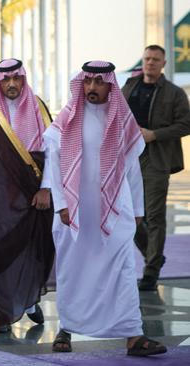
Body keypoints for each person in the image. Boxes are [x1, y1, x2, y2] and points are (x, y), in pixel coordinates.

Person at [44, 61, 166, 356]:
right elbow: (54, 165)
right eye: (87, 83)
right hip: (74, 213)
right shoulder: (67, 119)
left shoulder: (121, 121)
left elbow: (132, 168)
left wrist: (137, 208)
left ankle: (133, 337)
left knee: (123, 271)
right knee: (73, 272)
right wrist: (61, 203)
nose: (92, 88)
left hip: (115, 211)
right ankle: (66, 329)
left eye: (99, 83)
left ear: (110, 85)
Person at [0, 58, 54, 333]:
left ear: (23, 79)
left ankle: (28, 302)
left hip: (33, 198)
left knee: (32, 252)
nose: (12, 84)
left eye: (16, 79)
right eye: (6, 80)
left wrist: (46, 188)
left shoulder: (38, 107)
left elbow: (52, 154)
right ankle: (1, 312)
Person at [122, 45, 190, 291]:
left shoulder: (174, 93)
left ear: (163, 64)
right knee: (129, 214)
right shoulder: (129, 86)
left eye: (155, 59)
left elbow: (186, 124)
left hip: (157, 160)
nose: (150, 63)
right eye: (147, 58)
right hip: (129, 159)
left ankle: (151, 270)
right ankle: (153, 254)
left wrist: (154, 134)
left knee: (153, 215)